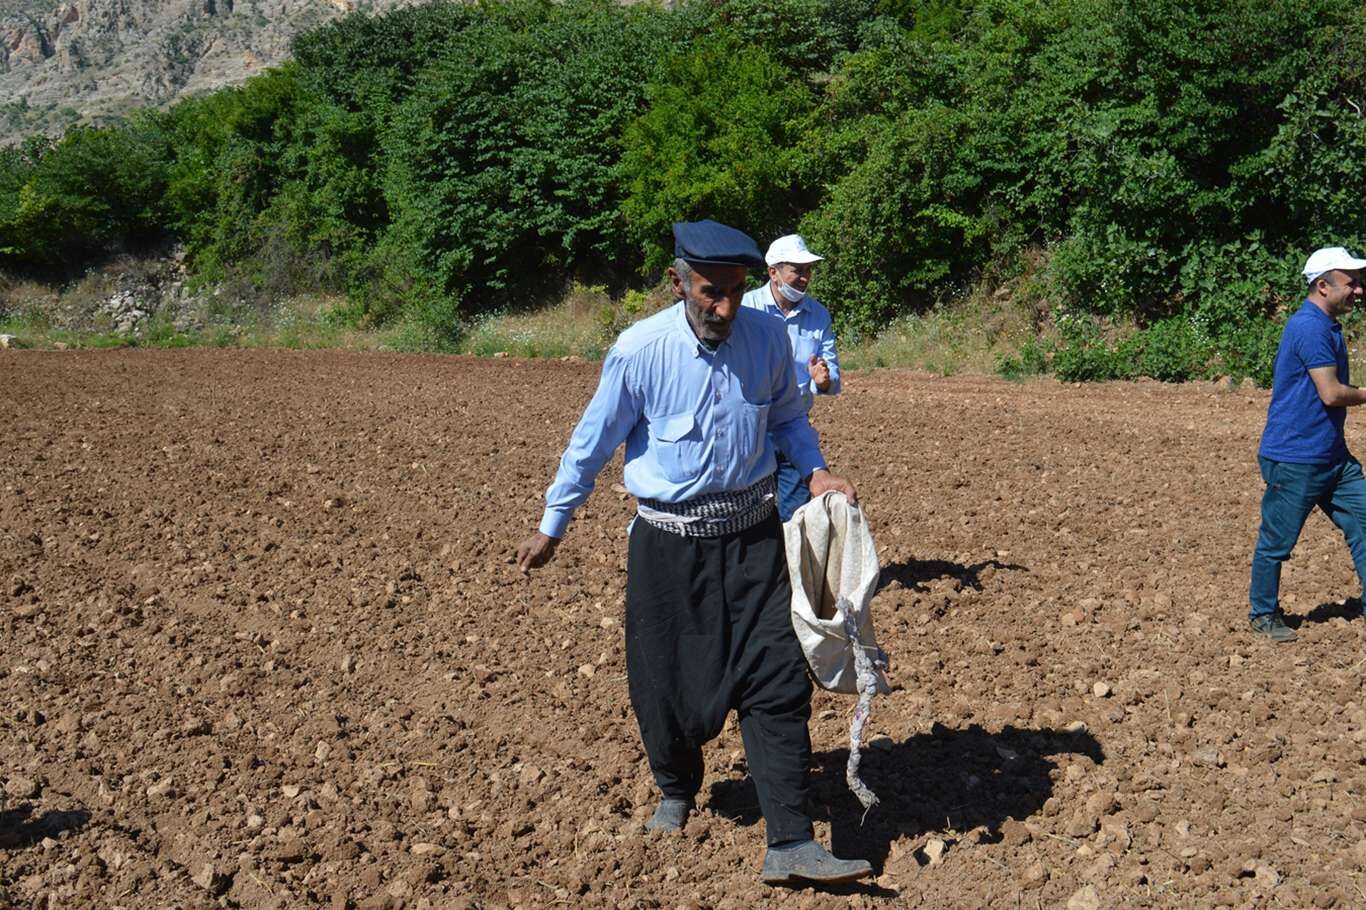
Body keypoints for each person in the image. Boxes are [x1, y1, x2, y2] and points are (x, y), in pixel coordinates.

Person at [515, 220, 873, 885]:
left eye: (736, 291)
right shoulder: (640, 350)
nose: (726, 308)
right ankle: (676, 787)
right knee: (666, 688)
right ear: (678, 283)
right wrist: (553, 523)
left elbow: (788, 419)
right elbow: (592, 442)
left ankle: (790, 841)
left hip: (754, 539)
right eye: (712, 292)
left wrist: (816, 471)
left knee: (777, 679)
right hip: (669, 550)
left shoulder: (768, 340)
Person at [1249, 245, 1366, 642]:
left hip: (1333, 456)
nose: (1359, 290)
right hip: (1295, 457)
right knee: (1276, 543)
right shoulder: (1310, 328)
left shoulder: (1327, 325)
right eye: (1351, 282)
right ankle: (1263, 614)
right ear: (1323, 286)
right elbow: (1331, 393)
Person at [741, 234, 842, 521]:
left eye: (808, 270)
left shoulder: (818, 315)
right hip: (752, 429)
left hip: (795, 427)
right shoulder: (745, 309)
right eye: (797, 270)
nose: (805, 278)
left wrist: (823, 380)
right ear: (773, 272)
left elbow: (832, 375)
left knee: (796, 516)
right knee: (751, 514)